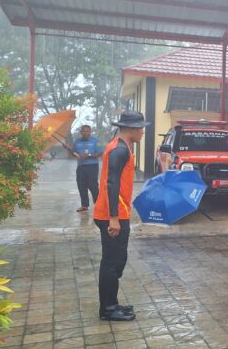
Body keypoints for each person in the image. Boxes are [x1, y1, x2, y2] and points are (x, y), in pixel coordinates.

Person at [93, 110, 150, 321]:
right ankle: (107, 309)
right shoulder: (119, 150)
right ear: (131, 129)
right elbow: (111, 183)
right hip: (112, 215)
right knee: (112, 262)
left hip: (116, 212)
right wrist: (114, 217)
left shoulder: (121, 146)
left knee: (117, 260)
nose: (143, 131)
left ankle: (112, 303)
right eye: (141, 127)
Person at [69, 125, 103, 212]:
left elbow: (100, 153)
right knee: (81, 186)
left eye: (87, 131)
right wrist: (69, 149)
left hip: (92, 166)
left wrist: (88, 155)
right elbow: (74, 153)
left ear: (90, 132)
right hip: (81, 167)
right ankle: (84, 205)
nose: (86, 132)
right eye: (84, 131)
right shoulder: (77, 141)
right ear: (81, 132)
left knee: (93, 186)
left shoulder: (96, 141)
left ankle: (98, 205)